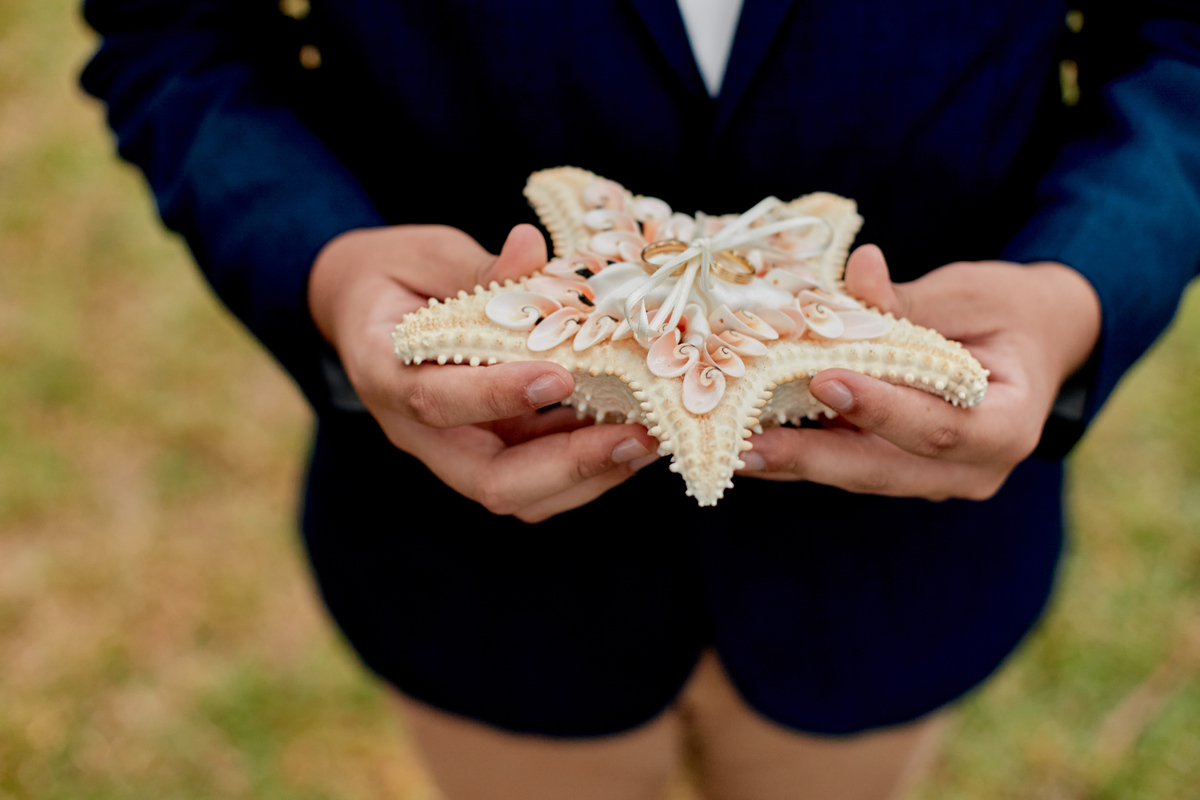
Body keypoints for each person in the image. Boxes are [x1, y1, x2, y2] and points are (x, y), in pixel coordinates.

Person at [82, 1, 1200, 797]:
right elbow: (175, 28)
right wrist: (327, 269)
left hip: (891, 571)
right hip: (476, 574)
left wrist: (1077, 287)